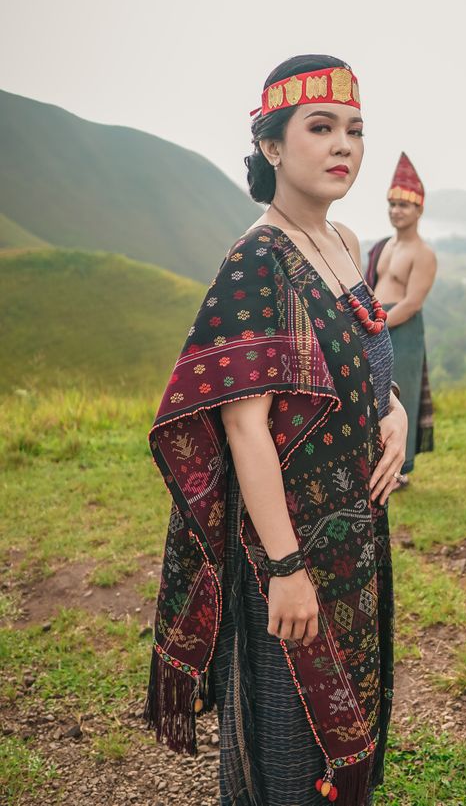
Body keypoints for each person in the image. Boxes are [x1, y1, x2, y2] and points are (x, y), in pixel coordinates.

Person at [144, 55, 408, 806]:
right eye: (319, 127)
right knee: (288, 755)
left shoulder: (345, 242)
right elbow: (244, 428)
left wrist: (389, 414)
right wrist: (287, 567)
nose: (343, 147)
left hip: (354, 532)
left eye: (354, 130)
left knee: (342, 738)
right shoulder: (259, 259)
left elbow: (363, 360)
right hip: (286, 545)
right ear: (270, 146)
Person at [366, 153, 436, 485]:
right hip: (378, 324)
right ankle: (375, 461)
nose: (396, 210)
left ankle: (398, 471)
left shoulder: (423, 253)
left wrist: (376, 326)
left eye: (404, 205)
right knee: (375, 395)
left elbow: (411, 302)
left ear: (419, 209)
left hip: (402, 330)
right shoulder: (385, 246)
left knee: (401, 396)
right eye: (392, 204)